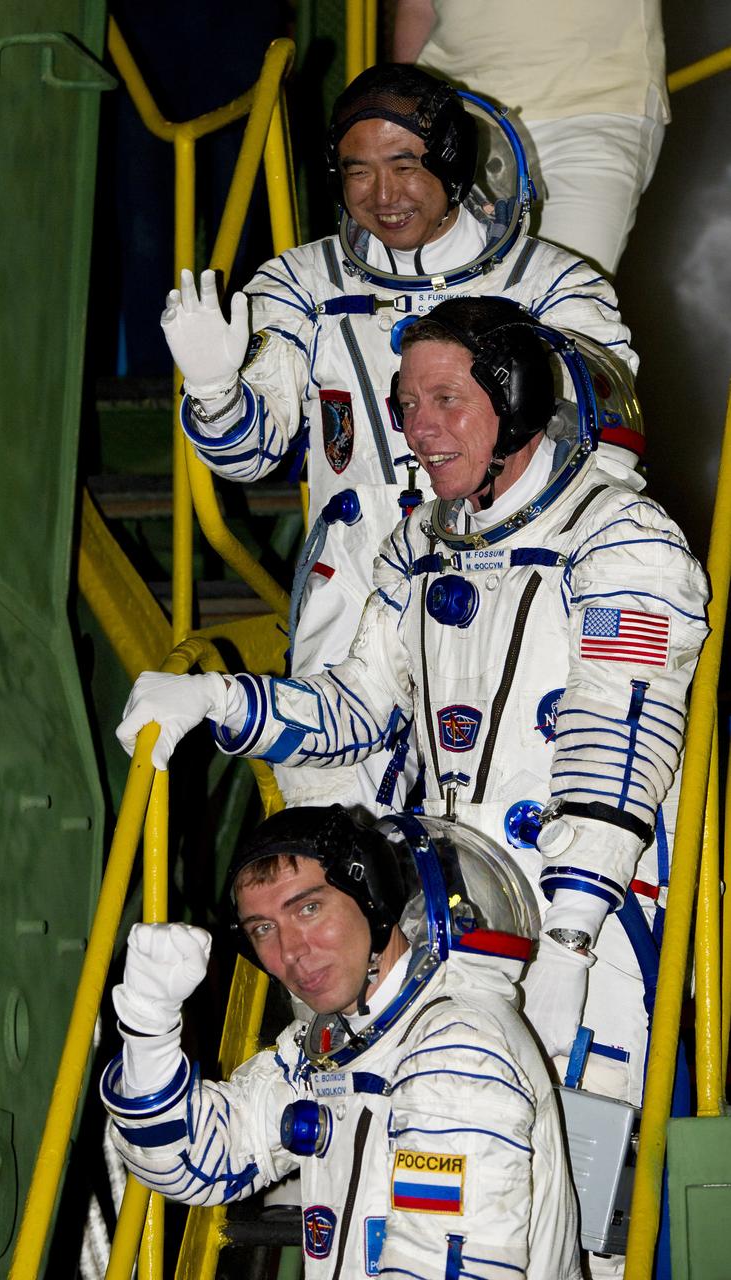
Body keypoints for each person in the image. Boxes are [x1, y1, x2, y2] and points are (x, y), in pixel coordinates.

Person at [118, 297, 707, 1129]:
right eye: (405, 406)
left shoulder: (621, 540)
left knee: (577, 1165)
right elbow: (356, 706)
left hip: (596, 918)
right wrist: (220, 698)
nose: (419, 431)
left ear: (517, 403)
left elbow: (617, 738)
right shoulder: (419, 545)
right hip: (456, 910)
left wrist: (570, 940)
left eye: (445, 401)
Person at [161, 61, 643, 817]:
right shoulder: (302, 285)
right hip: (354, 589)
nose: (383, 195)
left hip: (511, 578)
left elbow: (603, 456)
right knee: (330, 817)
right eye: (359, 171)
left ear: (451, 162)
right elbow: (248, 456)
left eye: (406, 165)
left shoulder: (553, 287)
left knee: (513, 803)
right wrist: (216, 388)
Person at [100, 804, 583, 1279]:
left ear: (374, 897)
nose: (291, 951)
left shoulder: (457, 1051)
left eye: (309, 908)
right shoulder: (334, 1046)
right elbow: (194, 1162)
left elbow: (443, 1265)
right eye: (263, 929)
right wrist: (148, 1025)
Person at [392, 0, 668, 278]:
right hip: (456, 109)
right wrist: (400, 107)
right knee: (432, 294)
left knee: (561, 292)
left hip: (595, 102)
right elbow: (417, 7)